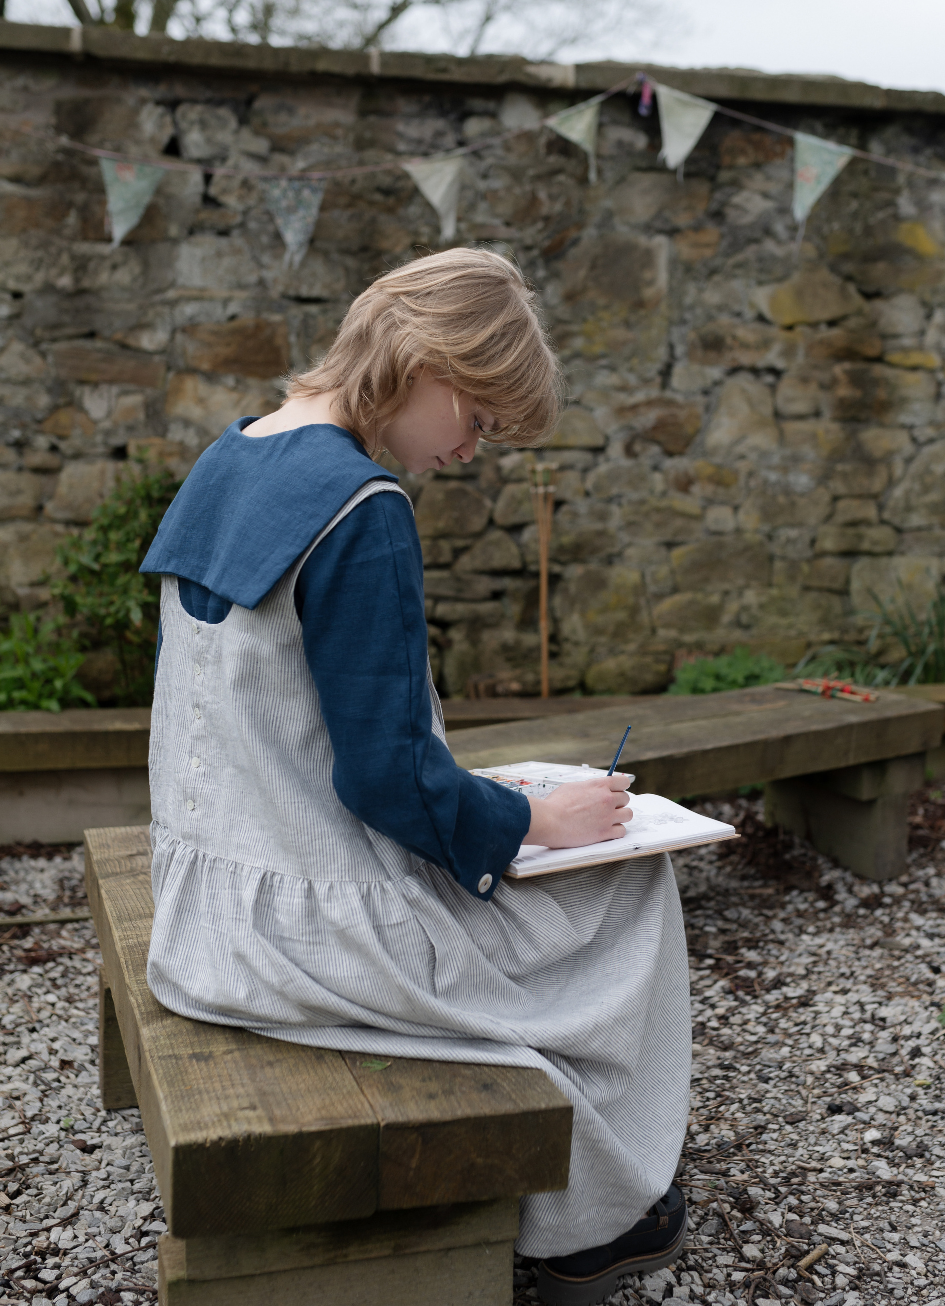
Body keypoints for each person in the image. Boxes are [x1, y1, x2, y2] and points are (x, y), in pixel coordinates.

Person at [141, 248, 690, 1306]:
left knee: (548, 860)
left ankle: (581, 1182)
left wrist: (504, 807)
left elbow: (252, 726)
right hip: (301, 938)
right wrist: (541, 823)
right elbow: (386, 781)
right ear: (430, 362)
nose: (473, 450)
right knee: (629, 881)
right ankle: (593, 1219)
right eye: (477, 419)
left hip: (201, 907)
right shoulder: (363, 506)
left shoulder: (230, 456)